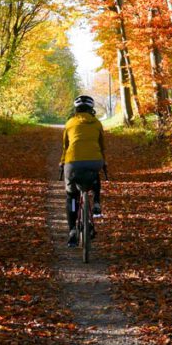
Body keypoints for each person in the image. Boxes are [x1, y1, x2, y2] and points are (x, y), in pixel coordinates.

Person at [60, 95, 106, 247]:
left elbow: (65, 147)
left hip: (73, 163)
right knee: (95, 174)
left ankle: (72, 229)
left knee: (71, 196)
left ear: (76, 109)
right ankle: (97, 202)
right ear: (91, 109)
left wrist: (62, 163)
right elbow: (101, 145)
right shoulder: (97, 123)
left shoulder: (69, 123)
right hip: (94, 161)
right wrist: (103, 161)